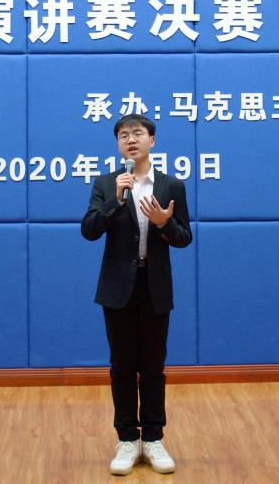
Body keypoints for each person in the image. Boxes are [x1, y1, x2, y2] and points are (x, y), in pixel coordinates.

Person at [81, 113, 193, 475]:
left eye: (138, 133)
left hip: (154, 285)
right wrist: (115, 201)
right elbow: (89, 230)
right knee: (123, 367)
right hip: (118, 288)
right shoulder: (107, 183)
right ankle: (128, 439)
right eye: (124, 135)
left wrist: (164, 223)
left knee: (154, 367)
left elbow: (184, 237)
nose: (131, 140)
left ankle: (154, 438)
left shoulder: (172, 186)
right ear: (118, 144)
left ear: (152, 140)